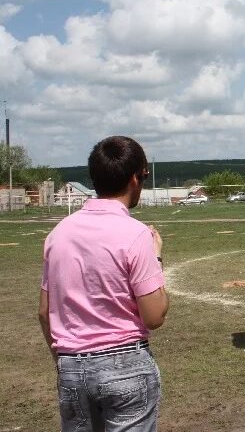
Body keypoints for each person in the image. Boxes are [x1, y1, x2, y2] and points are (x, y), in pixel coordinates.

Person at [39, 136, 168, 430]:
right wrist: (157, 259)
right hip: (125, 364)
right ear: (136, 178)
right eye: (144, 176)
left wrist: (65, 361)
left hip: (71, 366)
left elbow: (44, 312)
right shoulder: (137, 235)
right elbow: (155, 315)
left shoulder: (57, 235)